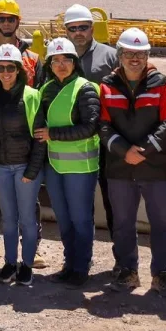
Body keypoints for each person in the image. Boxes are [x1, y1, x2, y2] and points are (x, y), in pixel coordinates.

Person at [98, 29, 166, 297]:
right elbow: (102, 124)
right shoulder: (107, 85)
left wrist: (142, 151)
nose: (135, 59)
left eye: (141, 53)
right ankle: (127, 271)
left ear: (148, 55)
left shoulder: (162, 84)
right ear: (120, 55)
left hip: (155, 167)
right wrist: (124, 151)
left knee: (163, 222)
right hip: (120, 168)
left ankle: (161, 274)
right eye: (130, 53)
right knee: (122, 222)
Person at [0, 0, 43, 271]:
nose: (6, 23)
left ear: (18, 22)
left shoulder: (33, 59)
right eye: (1, 19)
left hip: (23, 135)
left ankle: (31, 248)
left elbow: (38, 96)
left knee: (28, 199)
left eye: (10, 19)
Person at [35, 38, 102, 289]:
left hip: (80, 168)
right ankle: (69, 263)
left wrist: (54, 134)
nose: (61, 65)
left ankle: (81, 267)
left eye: (66, 60)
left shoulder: (85, 88)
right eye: (56, 60)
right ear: (50, 64)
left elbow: (91, 127)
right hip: (55, 166)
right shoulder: (46, 89)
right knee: (63, 218)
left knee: (81, 218)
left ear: (75, 62)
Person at [56, 4, 119, 272]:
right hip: (74, 148)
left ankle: (123, 262)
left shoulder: (110, 56)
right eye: (73, 28)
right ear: (66, 30)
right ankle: (80, 258)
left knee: (114, 202)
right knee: (79, 208)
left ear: (92, 28)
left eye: (83, 27)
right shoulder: (58, 57)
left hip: (107, 144)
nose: (79, 32)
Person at [0, 43, 44, 286]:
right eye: (1, 67)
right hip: (0, 167)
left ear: (19, 69)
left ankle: (26, 265)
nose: (6, 72)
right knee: (8, 218)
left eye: (11, 67)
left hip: (24, 168)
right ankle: (10, 263)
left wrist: (31, 170)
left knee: (27, 218)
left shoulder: (32, 96)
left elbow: (40, 138)